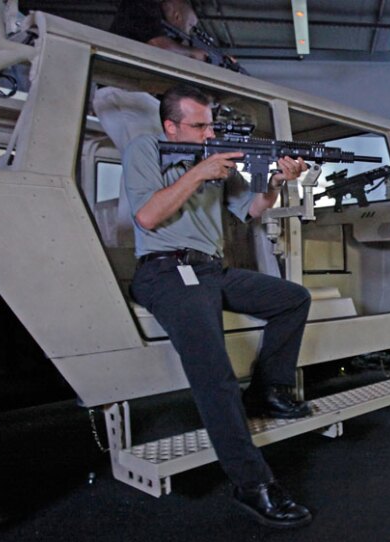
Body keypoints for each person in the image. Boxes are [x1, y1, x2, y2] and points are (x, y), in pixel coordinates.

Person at [122, 83, 313, 529]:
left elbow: (254, 209)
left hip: (210, 270)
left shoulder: (217, 162)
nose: (210, 133)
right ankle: (253, 484)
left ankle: (268, 391)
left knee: (291, 299)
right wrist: (197, 172)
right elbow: (147, 217)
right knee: (214, 372)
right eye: (200, 125)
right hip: (165, 270)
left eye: (212, 124)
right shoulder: (146, 148)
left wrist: (279, 181)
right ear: (171, 125)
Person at [111, 0, 241, 70]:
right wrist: (193, 53)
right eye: (190, 26)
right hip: (123, 88)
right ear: (177, 16)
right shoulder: (144, 5)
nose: (189, 33)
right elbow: (160, 47)